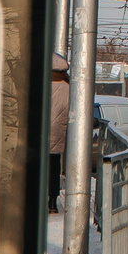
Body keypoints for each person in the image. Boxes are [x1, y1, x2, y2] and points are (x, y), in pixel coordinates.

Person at [47, 56, 71, 214]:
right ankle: (52, 202)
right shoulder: (69, 87)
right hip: (58, 134)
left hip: (39, 133)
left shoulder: (40, 83)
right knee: (54, 168)